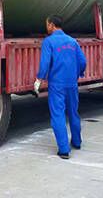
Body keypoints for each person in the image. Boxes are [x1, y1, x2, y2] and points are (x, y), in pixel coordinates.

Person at [34, 15, 87, 159]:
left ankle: (64, 150)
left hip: (57, 84)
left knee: (58, 114)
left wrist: (39, 79)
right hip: (72, 83)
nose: (46, 27)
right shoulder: (72, 41)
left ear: (52, 25)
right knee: (73, 112)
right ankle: (77, 142)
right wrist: (78, 73)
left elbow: (45, 63)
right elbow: (83, 61)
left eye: (47, 24)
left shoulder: (49, 41)